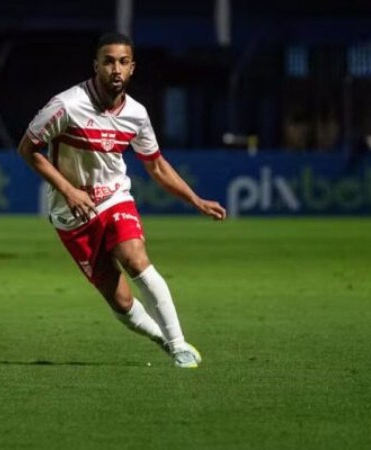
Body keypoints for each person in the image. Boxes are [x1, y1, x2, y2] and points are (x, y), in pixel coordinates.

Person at [17, 32, 226, 368]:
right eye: (109, 61)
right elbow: (28, 149)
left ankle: (178, 344)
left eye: (123, 62)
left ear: (132, 69)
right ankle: (161, 337)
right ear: (96, 65)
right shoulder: (65, 106)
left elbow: (156, 165)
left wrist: (195, 200)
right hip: (70, 213)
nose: (116, 68)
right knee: (121, 301)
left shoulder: (137, 115)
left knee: (134, 257)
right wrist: (69, 190)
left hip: (114, 198)